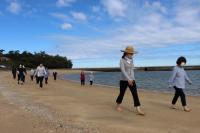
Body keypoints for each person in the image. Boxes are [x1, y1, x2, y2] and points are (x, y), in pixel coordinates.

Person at [116, 45, 145, 115]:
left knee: (135, 94)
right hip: (123, 80)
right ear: (126, 53)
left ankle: (138, 109)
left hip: (132, 80)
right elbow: (123, 70)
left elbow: (132, 70)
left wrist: (132, 79)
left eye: (132, 53)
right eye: (131, 53)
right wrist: (128, 79)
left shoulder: (131, 60)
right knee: (122, 94)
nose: (132, 55)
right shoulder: (122, 60)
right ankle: (118, 105)